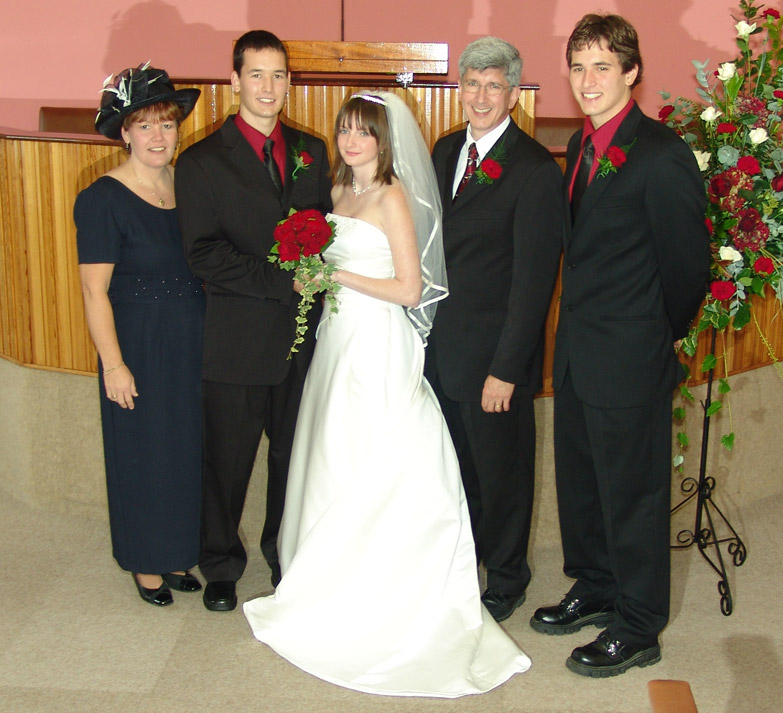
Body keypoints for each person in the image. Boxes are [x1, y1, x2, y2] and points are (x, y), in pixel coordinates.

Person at [243, 92, 531, 697]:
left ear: (383, 141)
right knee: (331, 453)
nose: (351, 142)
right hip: (338, 339)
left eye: (363, 133)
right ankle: (327, 580)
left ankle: (386, 591)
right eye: (345, 130)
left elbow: (409, 288)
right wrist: (310, 269)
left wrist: (332, 274)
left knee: (375, 455)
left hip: (376, 344)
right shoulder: (338, 192)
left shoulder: (394, 196)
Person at [529, 14, 708, 677]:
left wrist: (653, 334)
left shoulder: (661, 153)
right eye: (578, 67)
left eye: (603, 66)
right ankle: (597, 583)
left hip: (631, 356)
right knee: (582, 485)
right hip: (578, 350)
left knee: (631, 493)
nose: (588, 81)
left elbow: (689, 267)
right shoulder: (581, 146)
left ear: (632, 71)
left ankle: (638, 623)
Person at [175, 31, 332, 612]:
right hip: (237, 339)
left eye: (279, 75)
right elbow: (203, 253)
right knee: (228, 459)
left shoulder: (313, 151)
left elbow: (329, 231)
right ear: (235, 80)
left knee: (293, 458)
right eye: (257, 75)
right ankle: (219, 563)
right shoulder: (200, 162)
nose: (269, 87)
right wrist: (279, 280)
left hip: (303, 340)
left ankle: (283, 554)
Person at [426, 37, 563, 622]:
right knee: (455, 473)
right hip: (441, 353)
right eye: (472, 84)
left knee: (502, 478)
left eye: (494, 86)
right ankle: (466, 564)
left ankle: (507, 577)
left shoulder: (533, 169)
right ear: (461, 88)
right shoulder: (443, 148)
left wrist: (507, 369)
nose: (481, 96)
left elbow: (533, 286)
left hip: (492, 363)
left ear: (513, 93)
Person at [74, 64, 204, 606]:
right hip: (138, 346)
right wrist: (114, 364)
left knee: (182, 450)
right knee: (143, 453)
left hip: (190, 342)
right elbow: (92, 291)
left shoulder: (186, 184)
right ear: (124, 132)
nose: (158, 136)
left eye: (167, 124)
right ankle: (144, 561)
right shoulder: (102, 198)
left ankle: (175, 552)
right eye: (145, 125)